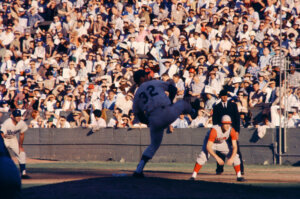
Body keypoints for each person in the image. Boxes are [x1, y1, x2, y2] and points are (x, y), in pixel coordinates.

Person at [132, 70, 192, 177]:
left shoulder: (136, 95)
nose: (148, 76)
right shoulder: (153, 82)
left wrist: (149, 122)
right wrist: (169, 101)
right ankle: (194, 113)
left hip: (154, 119)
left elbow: (139, 115)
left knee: (153, 145)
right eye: (146, 75)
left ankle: (139, 170)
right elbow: (173, 88)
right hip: (166, 111)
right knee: (182, 103)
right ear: (142, 78)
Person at [190, 115, 245, 182]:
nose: (227, 125)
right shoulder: (214, 130)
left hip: (221, 143)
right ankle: (193, 176)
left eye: (229, 123)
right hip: (210, 143)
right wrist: (217, 157)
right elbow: (208, 146)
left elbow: (235, 146)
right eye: (225, 123)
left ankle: (239, 176)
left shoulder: (231, 130)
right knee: (203, 156)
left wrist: (231, 158)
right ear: (222, 123)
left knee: (235, 157)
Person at [212, 89, 244, 175]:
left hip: (232, 131)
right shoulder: (216, 107)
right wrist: (216, 132)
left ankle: (241, 169)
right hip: (221, 132)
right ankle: (219, 169)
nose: (224, 97)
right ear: (220, 97)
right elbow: (215, 121)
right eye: (223, 96)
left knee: (236, 150)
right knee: (219, 151)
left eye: (226, 96)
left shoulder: (233, 105)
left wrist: (237, 131)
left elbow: (237, 119)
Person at [0, 109, 30, 179]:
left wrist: (20, 146)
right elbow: (1, 134)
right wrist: (2, 146)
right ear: (12, 116)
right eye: (16, 116)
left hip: (13, 139)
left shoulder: (21, 123)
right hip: (4, 139)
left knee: (21, 153)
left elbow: (22, 134)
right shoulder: (7, 123)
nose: (18, 117)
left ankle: (23, 173)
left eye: (19, 115)